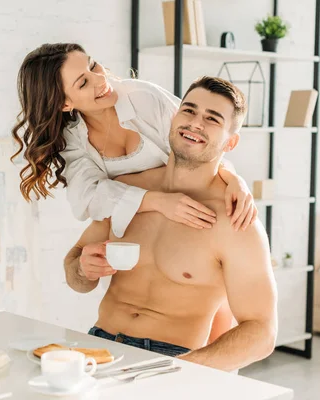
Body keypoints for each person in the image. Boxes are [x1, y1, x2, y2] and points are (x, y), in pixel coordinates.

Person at [63, 76, 278, 372]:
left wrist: (179, 370)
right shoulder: (127, 191)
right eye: (188, 110)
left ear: (231, 142)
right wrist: (82, 268)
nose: (195, 123)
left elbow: (262, 332)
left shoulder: (234, 220)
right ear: (173, 119)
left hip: (173, 358)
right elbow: (75, 274)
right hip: (98, 349)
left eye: (212, 119)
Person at [11, 43, 258, 240]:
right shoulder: (73, 141)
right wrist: (158, 201)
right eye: (84, 82)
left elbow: (200, 143)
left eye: (93, 66)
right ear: (65, 104)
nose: (100, 79)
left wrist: (235, 179)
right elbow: (88, 199)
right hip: (136, 236)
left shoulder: (143, 99)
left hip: (196, 215)